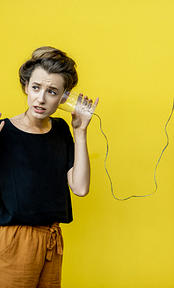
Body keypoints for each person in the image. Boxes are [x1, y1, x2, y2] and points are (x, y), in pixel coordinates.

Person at [0, 46, 98, 287]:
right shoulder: (4, 130)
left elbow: (81, 187)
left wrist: (81, 131)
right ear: (26, 87)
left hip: (52, 240)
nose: (41, 98)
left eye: (52, 91)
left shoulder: (62, 130)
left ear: (64, 97)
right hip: (14, 239)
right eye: (36, 88)